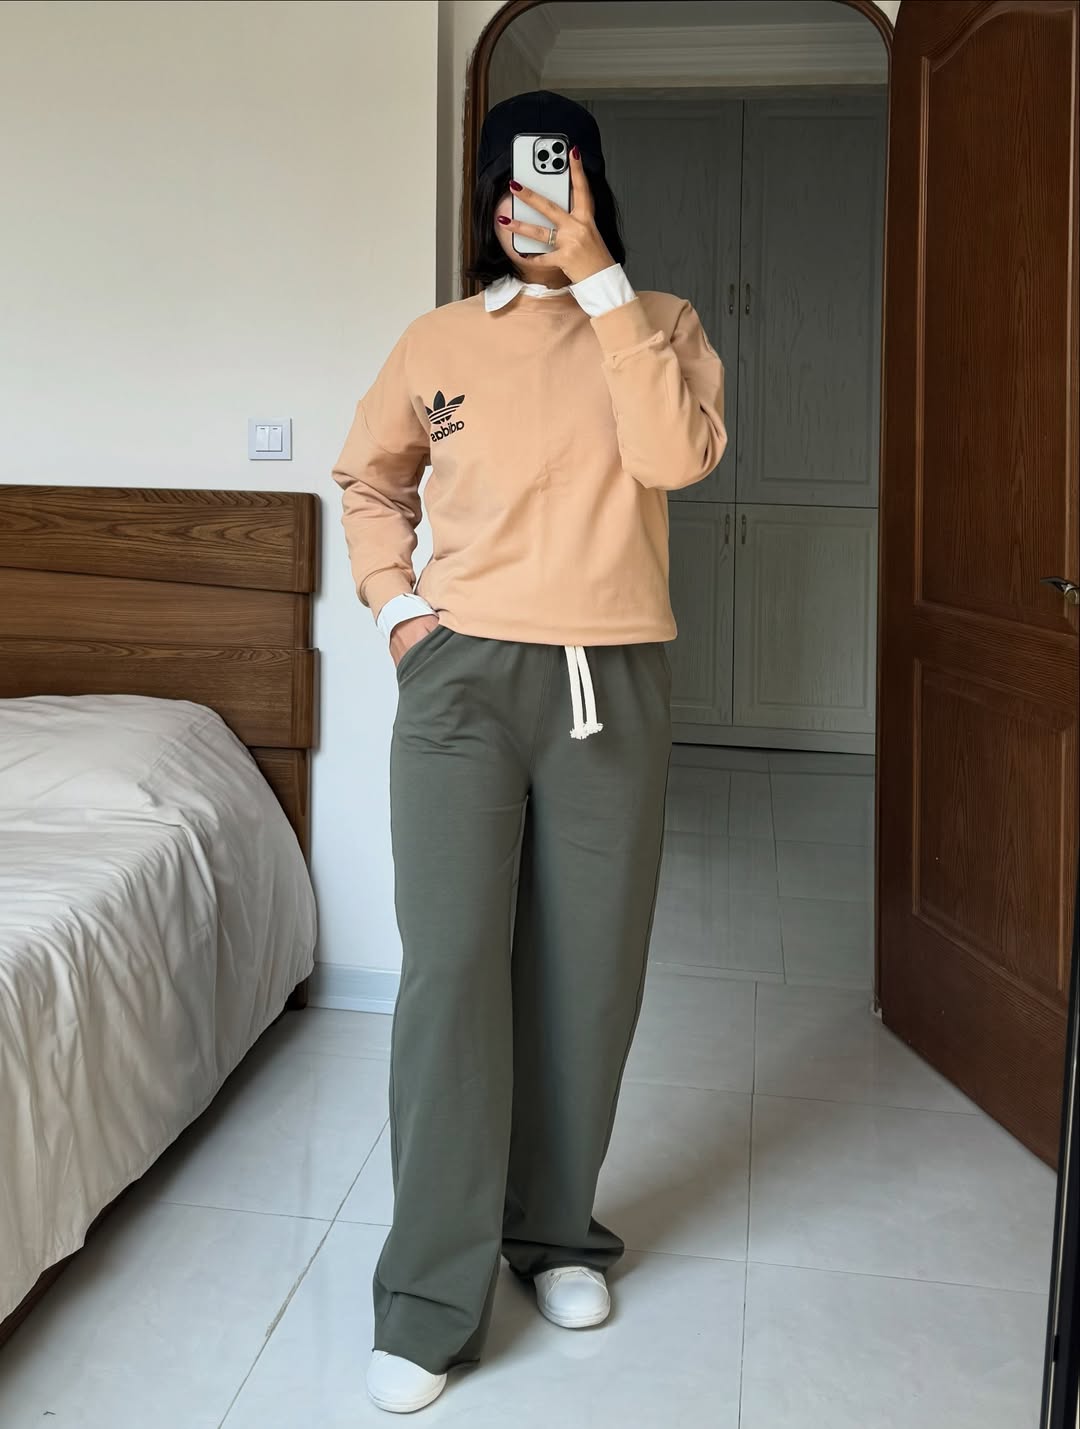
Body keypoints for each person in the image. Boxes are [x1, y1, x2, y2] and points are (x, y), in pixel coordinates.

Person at [330, 90, 727, 1415]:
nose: (526, 202)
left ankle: (555, 1233)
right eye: (507, 182)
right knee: (452, 976)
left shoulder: (659, 321)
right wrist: (398, 611)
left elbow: (672, 457)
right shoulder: (439, 338)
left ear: (591, 185)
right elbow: (370, 480)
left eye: (551, 178)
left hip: (612, 678)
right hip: (460, 683)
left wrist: (600, 278)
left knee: (586, 976)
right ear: (483, 200)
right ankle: (428, 1296)